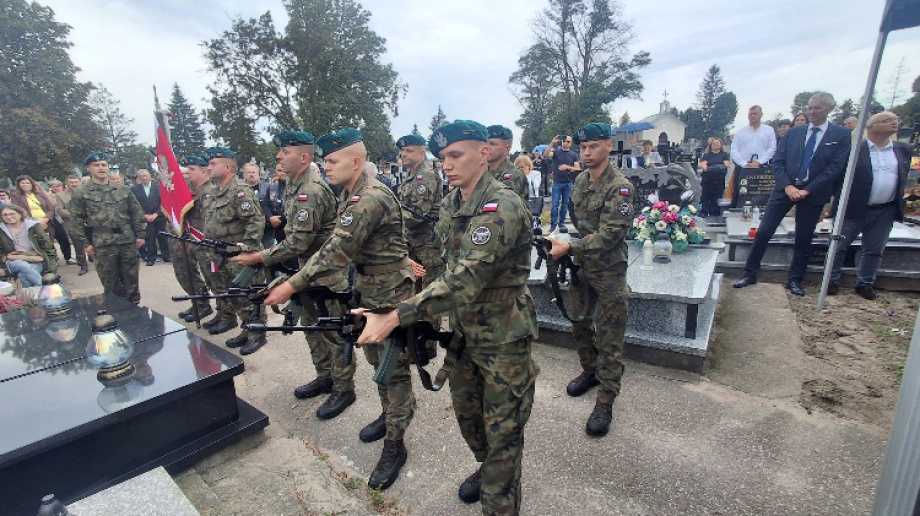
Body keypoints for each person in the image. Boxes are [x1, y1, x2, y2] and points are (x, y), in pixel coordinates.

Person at [356, 120, 538, 514]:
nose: (447, 165)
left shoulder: (501, 205)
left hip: (503, 338)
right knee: (471, 423)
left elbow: (466, 278)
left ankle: (500, 489)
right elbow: (442, 266)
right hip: (464, 333)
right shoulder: (452, 203)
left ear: (484, 154)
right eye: (443, 157)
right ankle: (488, 466)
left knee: (504, 437)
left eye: (456, 155)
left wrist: (396, 316)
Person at [263, 128, 416, 491]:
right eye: (325, 161)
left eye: (332, 161)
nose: (326, 166)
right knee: (377, 363)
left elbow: (335, 252)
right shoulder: (350, 194)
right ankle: (389, 415)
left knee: (393, 369)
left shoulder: (369, 198)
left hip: (389, 294)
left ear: (356, 162)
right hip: (368, 289)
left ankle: (396, 443)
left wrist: (292, 283)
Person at [230, 130, 357, 418]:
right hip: (306, 272)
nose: (278, 156)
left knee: (333, 334)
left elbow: (298, 242)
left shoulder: (310, 190)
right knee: (312, 329)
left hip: (325, 275)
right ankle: (325, 377)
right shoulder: (293, 185)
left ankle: (344, 388)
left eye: (285, 152)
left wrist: (259, 256)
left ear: (303, 157)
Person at [545, 122, 634, 439]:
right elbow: (578, 222)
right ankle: (590, 371)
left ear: (608, 146)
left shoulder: (620, 187)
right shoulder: (580, 180)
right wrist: (561, 244)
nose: (587, 152)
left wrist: (572, 247)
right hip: (582, 267)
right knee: (580, 325)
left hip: (609, 271)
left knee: (610, 337)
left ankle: (606, 400)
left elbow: (611, 234)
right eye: (583, 147)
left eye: (593, 146)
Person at [733, 93, 852, 296]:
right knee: (764, 231)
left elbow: (835, 167)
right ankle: (750, 273)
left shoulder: (840, 134)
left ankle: (795, 279)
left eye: (818, 108)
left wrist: (807, 190)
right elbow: (778, 161)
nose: (812, 112)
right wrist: (788, 187)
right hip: (785, 188)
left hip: (812, 192)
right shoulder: (795, 132)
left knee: (804, 237)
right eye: (810, 108)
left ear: (830, 109)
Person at [828, 112, 910, 300]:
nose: (893, 123)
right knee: (839, 246)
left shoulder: (902, 149)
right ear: (870, 127)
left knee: (874, 249)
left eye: (895, 120)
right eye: (887, 121)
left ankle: (865, 283)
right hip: (854, 208)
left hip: (885, 209)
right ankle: (831, 281)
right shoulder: (856, 149)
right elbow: (840, 178)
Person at [201, 147, 267, 354]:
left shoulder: (240, 191)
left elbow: (255, 222)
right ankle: (246, 329)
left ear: (228, 167)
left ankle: (257, 334)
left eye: (213, 164)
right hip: (221, 255)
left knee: (250, 296)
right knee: (235, 296)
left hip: (240, 255)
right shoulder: (213, 192)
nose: (209, 167)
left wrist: (247, 250)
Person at [70, 152, 146, 304]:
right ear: (88, 168)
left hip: (126, 240)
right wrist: (85, 244)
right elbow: (76, 221)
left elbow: (136, 212)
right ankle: (117, 311)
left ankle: (135, 312)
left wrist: (141, 234)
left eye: (104, 165)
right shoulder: (82, 193)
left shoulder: (122, 189)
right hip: (102, 243)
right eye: (96, 165)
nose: (101, 168)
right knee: (111, 284)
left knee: (131, 281)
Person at [395, 134, 445, 346]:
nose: (404, 154)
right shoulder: (410, 175)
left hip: (427, 244)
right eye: (403, 151)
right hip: (412, 242)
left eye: (409, 150)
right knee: (413, 293)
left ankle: (428, 344)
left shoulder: (425, 176)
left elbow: (418, 214)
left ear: (422, 152)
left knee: (429, 294)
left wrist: (389, 218)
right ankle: (415, 342)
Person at [168, 156, 214, 323]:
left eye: (192, 169)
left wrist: (193, 239)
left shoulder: (208, 192)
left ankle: (215, 309)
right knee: (185, 274)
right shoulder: (195, 190)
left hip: (201, 241)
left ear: (204, 171)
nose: (188, 172)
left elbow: (207, 222)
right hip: (191, 238)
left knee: (213, 279)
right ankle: (199, 303)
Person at [0, 204, 58, 287]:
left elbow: (48, 246)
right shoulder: (1, 229)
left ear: (20, 214)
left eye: (12, 214)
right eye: (5, 215)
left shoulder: (33, 226)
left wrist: (51, 267)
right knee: (22, 265)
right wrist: (1, 267)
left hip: (34, 258)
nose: (9, 217)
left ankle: (34, 293)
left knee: (23, 277)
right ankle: (46, 288)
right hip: (12, 260)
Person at [543, 134, 582, 232]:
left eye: (568, 141)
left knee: (565, 205)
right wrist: (552, 143)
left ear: (571, 143)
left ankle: (561, 224)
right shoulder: (556, 153)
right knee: (555, 205)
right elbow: (546, 154)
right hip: (557, 182)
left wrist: (567, 167)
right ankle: (553, 226)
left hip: (568, 182)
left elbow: (578, 168)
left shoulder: (573, 155)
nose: (566, 143)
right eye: (564, 141)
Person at [132, 170, 171, 266]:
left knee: (163, 237)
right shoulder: (134, 189)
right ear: (139, 178)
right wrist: (144, 215)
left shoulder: (159, 188)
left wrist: (157, 214)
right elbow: (135, 204)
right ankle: (151, 258)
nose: (144, 178)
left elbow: (164, 202)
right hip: (146, 218)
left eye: (145, 175)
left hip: (159, 216)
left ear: (149, 176)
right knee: (150, 238)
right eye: (141, 176)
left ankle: (166, 256)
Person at [486, 125, 529, 203]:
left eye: (493, 144)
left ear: (507, 148)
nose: (487, 148)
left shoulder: (514, 175)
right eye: (486, 144)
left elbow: (503, 204)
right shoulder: (482, 172)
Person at [57, 176, 90, 275]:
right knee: (78, 244)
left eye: (76, 182)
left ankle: (94, 258)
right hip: (72, 223)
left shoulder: (86, 192)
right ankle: (83, 265)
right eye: (71, 182)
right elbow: (59, 209)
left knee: (93, 241)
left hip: (88, 221)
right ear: (66, 183)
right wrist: (73, 215)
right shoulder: (61, 196)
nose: (74, 184)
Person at [731, 105, 776, 171]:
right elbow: (734, 150)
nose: (752, 116)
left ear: (761, 115)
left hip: (762, 167)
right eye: (750, 114)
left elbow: (772, 148)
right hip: (742, 167)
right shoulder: (740, 132)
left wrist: (759, 162)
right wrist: (744, 164)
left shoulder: (769, 130)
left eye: (755, 114)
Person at [11, 175, 56, 242]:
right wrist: (35, 223)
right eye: (23, 183)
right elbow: (17, 211)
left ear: (32, 184)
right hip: (30, 224)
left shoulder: (40, 194)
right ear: (19, 184)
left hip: (46, 222)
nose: (25, 185)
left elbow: (51, 208)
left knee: (49, 243)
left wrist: (45, 220)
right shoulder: (16, 196)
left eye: (27, 183)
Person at [699, 138, 731, 217]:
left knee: (717, 197)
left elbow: (726, 165)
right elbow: (703, 166)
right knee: (705, 196)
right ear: (711, 145)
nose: (716, 144)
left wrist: (712, 168)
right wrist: (716, 168)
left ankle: (715, 213)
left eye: (717, 143)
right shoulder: (707, 155)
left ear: (721, 145)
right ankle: (704, 212)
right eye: (714, 143)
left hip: (719, 180)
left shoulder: (725, 155)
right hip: (707, 179)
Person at [516, 154, 543, 228]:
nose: (520, 169)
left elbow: (535, 186)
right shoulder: (516, 176)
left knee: (533, 225)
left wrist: (526, 176)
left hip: (533, 201)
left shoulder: (536, 174)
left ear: (528, 166)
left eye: (522, 167)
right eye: (518, 167)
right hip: (520, 202)